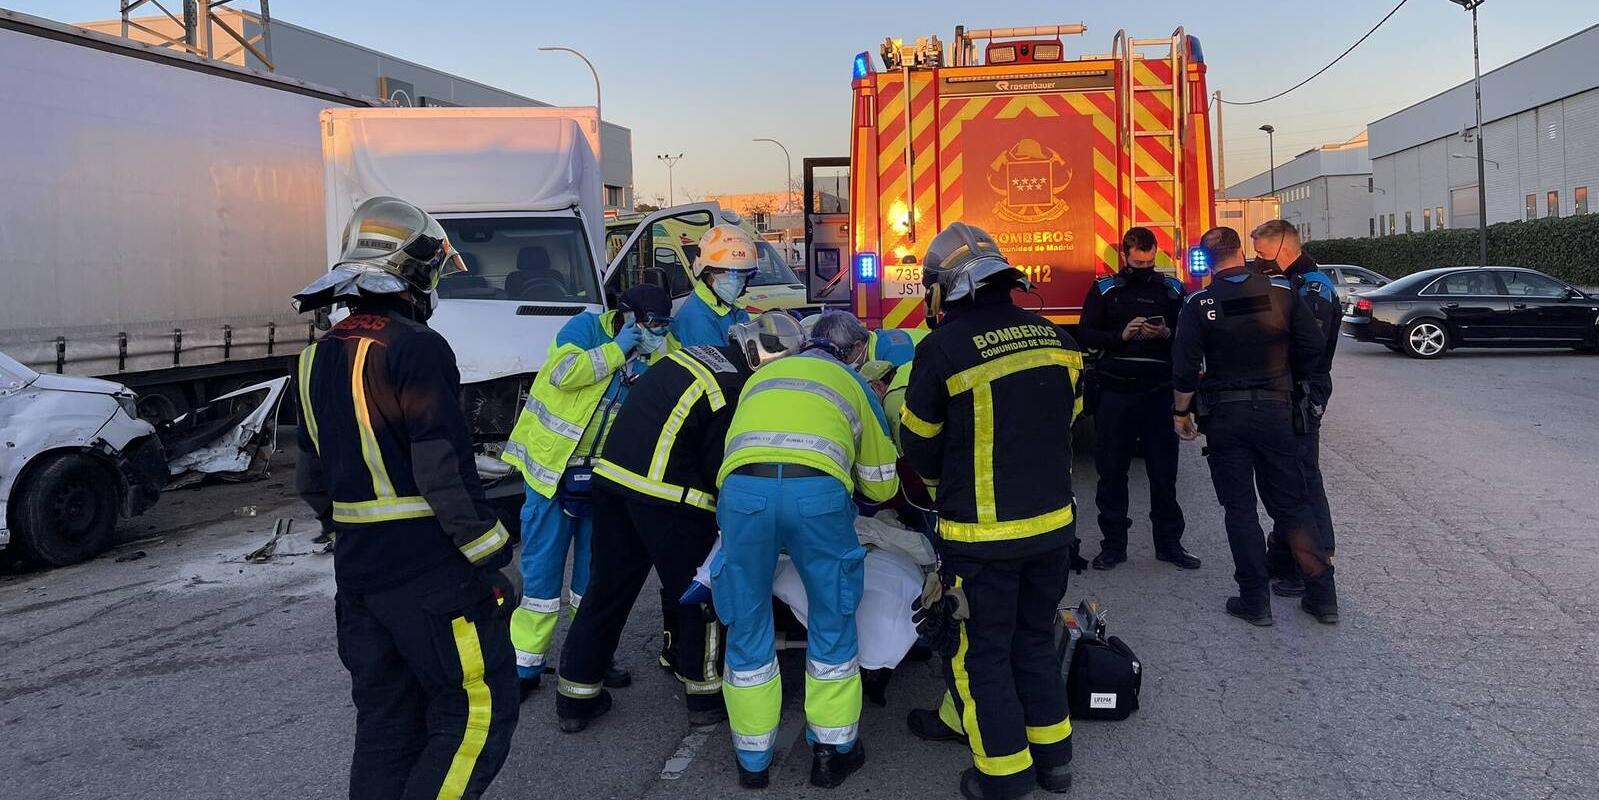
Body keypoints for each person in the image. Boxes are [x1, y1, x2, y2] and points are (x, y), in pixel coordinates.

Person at [292, 196, 519, 799]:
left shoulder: (315, 355)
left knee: (387, 726)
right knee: (477, 712)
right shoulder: (418, 347)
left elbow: (311, 481)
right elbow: (444, 471)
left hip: (359, 578)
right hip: (430, 576)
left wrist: (357, 531)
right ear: (416, 273)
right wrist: (494, 557)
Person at [554, 312, 806, 732]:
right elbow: (721, 465)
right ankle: (705, 698)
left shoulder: (694, 356)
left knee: (606, 590)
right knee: (699, 594)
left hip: (612, 482)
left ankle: (575, 698)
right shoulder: (734, 387)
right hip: (669, 496)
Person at [899, 222, 1083, 800]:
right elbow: (1068, 421)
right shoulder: (1057, 339)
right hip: (1053, 528)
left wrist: (943, 482)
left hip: (981, 540)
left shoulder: (942, 350)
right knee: (1033, 640)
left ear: (944, 289)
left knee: (981, 656)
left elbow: (919, 444)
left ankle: (1002, 779)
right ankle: (1055, 762)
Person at [714, 310, 901, 790]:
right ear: (856, 350)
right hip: (816, 498)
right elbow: (881, 488)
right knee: (832, 619)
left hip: (743, 495)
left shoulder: (766, 375)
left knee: (747, 619)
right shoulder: (853, 385)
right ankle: (832, 751)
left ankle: (752, 762)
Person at [501, 284, 676, 697]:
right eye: (650, 324)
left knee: (593, 575)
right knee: (543, 570)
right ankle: (525, 664)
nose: (657, 333)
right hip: (552, 469)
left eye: (664, 326)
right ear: (626, 317)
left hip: (602, 477)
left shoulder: (661, 352)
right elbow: (563, 374)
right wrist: (617, 350)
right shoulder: (584, 329)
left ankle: (590, 656)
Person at [1171, 226, 1339, 626]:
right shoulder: (1281, 292)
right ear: (1240, 252)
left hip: (1227, 419)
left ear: (1206, 259)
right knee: (1293, 505)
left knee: (1241, 510)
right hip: (1277, 412)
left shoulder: (1200, 302)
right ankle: (1323, 597)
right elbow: (1313, 348)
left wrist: (1182, 414)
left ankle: (1255, 602)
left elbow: (1185, 365)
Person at [1076, 227, 1198, 571]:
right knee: (1111, 474)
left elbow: (1189, 339)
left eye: (1149, 260)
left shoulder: (1172, 289)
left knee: (1164, 475)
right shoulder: (1105, 289)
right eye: (1137, 261)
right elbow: (1086, 333)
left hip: (1158, 393)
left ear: (1155, 254)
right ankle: (1113, 546)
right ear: (1124, 256)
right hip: (1115, 392)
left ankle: (1170, 545)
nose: (1144, 266)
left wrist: (1166, 332)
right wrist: (1121, 335)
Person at [1250, 220, 1340, 600]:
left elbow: (1309, 346)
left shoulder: (1314, 286)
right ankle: (1285, 554)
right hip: (1280, 391)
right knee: (1281, 477)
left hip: (1302, 392)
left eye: (1260, 254)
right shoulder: (1281, 283)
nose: (1256, 262)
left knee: (1303, 477)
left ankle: (1314, 563)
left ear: (1283, 247)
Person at [671, 223, 756, 347]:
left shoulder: (723, 305)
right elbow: (722, 364)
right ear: (706, 272)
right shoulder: (698, 319)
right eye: (726, 274)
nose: (736, 282)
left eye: (742, 276)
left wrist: (768, 322)